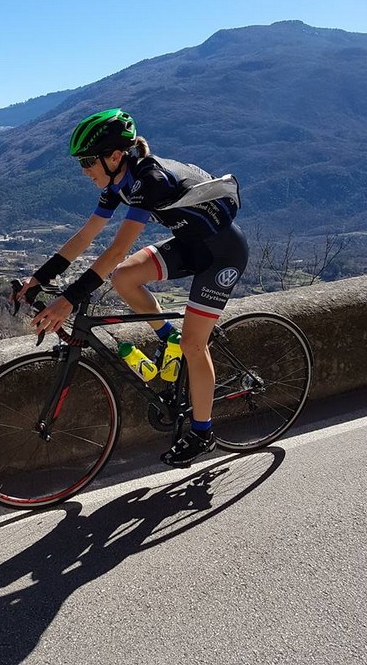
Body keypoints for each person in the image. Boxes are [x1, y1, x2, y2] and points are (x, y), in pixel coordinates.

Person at [16, 108, 249, 467]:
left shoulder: (149, 180)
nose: (84, 170)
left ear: (114, 156)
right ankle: (168, 336)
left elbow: (116, 250)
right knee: (123, 277)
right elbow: (85, 236)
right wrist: (39, 277)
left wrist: (68, 300)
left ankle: (203, 433)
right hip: (189, 245)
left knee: (194, 344)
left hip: (222, 255)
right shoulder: (116, 183)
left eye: (88, 162)